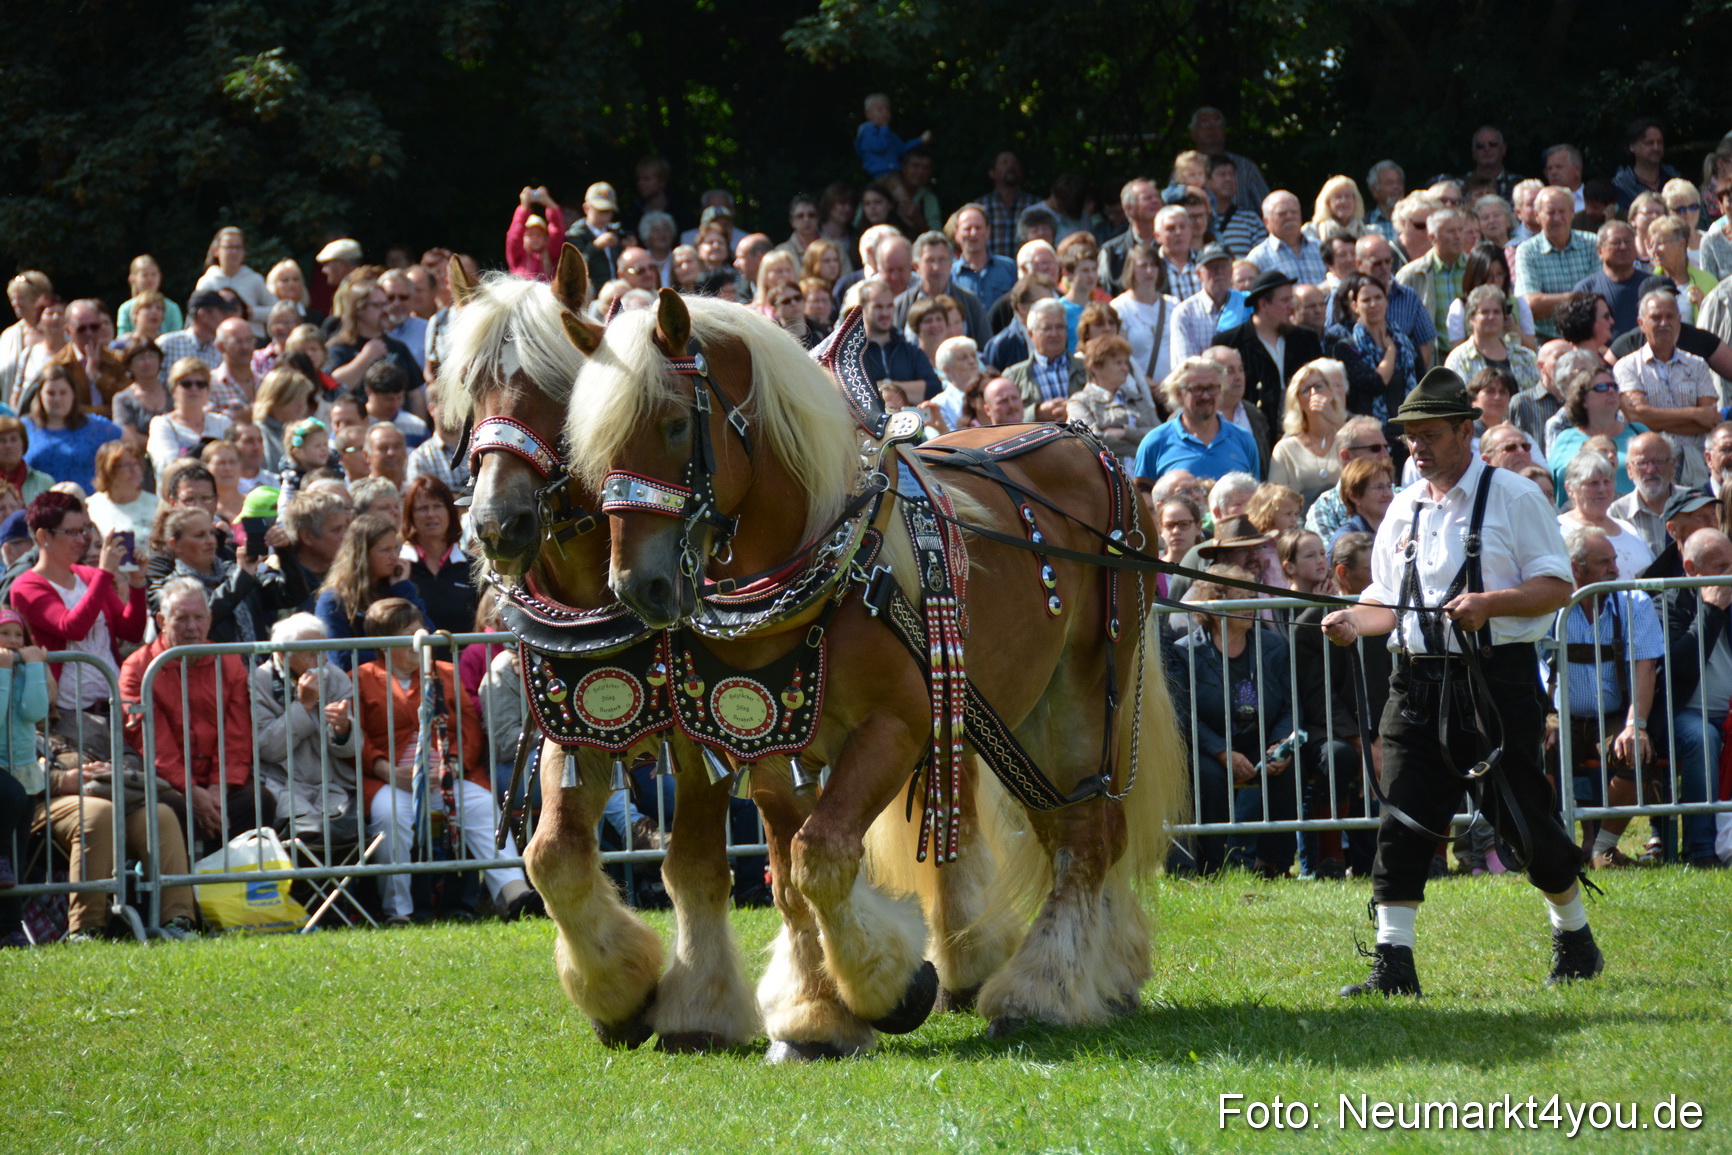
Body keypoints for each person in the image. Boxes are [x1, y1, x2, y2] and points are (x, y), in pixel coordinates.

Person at [1320, 368, 1601, 997]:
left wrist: (1490, 604)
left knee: (1522, 823)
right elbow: (1388, 604)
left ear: (1464, 432)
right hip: (1414, 685)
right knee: (1403, 821)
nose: (1415, 447)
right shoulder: (1403, 507)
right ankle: (1394, 965)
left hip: (1495, 686)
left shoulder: (1514, 497)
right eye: (1409, 437)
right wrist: (1350, 622)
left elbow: (1557, 587)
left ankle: (1574, 935)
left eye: (1428, 435)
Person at [355, 597, 535, 924]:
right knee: (390, 816)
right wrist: (387, 770)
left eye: (419, 630)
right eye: (408, 634)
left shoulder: (446, 672)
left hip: (450, 777)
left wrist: (452, 766)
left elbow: (470, 729)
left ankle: (516, 895)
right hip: (390, 780)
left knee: (482, 806)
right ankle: (400, 912)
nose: (419, 640)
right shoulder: (362, 677)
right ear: (384, 644)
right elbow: (359, 737)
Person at [119, 576, 277, 853]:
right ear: (161, 621)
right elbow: (153, 742)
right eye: (181, 619)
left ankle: (230, 887)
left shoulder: (228, 661)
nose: (192, 627)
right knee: (171, 808)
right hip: (166, 781)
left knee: (258, 801)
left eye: (199, 617)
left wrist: (219, 786)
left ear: (209, 617)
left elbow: (237, 733)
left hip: (219, 781)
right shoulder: (138, 667)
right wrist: (190, 790)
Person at [1165, 567, 1301, 878]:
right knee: (1207, 774)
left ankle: (1274, 865)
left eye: (1254, 596)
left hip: (1259, 742)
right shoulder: (1185, 652)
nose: (1251, 604)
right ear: (1215, 605)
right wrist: (1221, 751)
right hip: (1208, 747)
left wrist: (1281, 743)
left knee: (1290, 767)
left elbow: (1292, 704)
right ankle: (1212, 865)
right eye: (1242, 598)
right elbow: (1184, 715)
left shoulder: (1274, 647)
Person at [1548, 525, 1665, 869]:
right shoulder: (1551, 604)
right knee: (1535, 754)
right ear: (1575, 568)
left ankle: (1601, 848)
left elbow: (1645, 667)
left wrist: (1635, 725)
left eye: (1614, 560)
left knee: (1637, 754)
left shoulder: (1635, 602)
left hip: (1611, 716)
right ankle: (1553, 847)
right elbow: (1537, 666)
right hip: (1559, 717)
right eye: (1605, 563)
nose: (1615, 569)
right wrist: (1543, 718)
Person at [10, 492, 148, 721]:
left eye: (83, 530)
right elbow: (72, 627)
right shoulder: (25, 587)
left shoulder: (90, 575)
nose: (82, 539)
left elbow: (131, 632)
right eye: (71, 532)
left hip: (114, 705)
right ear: (43, 536)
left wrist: (137, 583)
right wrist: (104, 574)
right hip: (67, 715)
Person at [249, 612, 358, 848]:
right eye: (310, 652)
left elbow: (351, 748)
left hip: (332, 783)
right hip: (282, 782)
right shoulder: (259, 681)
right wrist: (304, 706)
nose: (321, 660)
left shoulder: (336, 677)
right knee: (308, 834)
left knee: (348, 828)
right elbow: (267, 749)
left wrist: (343, 729)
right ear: (282, 654)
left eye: (323, 650)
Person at [1615, 287, 1717, 489]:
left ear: (1679, 320)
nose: (1664, 323)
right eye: (1656, 317)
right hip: (1650, 466)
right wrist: (1694, 413)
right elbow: (1637, 417)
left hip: (1694, 466)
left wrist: (1652, 419)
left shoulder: (1697, 365)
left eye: (1670, 317)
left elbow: (1710, 420)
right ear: (1641, 323)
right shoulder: (1627, 366)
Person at [313, 514, 429, 667]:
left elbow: (428, 637)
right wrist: (396, 655)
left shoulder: (398, 589)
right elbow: (339, 657)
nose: (394, 557)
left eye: (395, 548)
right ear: (363, 555)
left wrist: (403, 589)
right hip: (358, 686)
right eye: (385, 550)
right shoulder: (333, 600)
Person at [1213, 268, 1324, 427]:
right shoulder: (1230, 342)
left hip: (1303, 426)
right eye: (1285, 300)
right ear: (1263, 304)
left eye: (1291, 299)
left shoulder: (1306, 339)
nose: (1292, 307)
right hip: (1253, 430)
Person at [1133, 357, 1259, 483]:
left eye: (1211, 388)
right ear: (1178, 394)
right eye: (1197, 389)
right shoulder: (1155, 442)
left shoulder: (1244, 440)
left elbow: (1254, 498)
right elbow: (1142, 499)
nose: (1205, 396)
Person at [1547, 353, 1645, 505]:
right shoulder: (1564, 438)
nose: (1611, 391)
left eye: (1614, 386)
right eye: (1601, 387)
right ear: (1582, 399)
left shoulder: (1639, 433)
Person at [1514, 186, 1600, 341]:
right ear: (1537, 215)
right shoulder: (1527, 251)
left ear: (1572, 212)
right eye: (1550, 212)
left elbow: (1600, 297)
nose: (1557, 218)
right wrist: (1579, 298)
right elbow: (1531, 305)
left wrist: (1551, 301)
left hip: (1590, 338)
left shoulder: (1593, 243)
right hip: (1545, 340)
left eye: (1562, 211)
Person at [22, 363, 121, 492]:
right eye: (51, 393)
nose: (57, 399)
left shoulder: (94, 426)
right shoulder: (25, 426)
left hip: (85, 506)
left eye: (63, 393)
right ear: (40, 395)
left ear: (73, 394)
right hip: (40, 506)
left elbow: (127, 442)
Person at [1557, 450, 1654, 580]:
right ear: (1570, 488)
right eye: (1593, 483)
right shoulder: (1559, 529)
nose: (1602, 489)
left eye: (1607, 481)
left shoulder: (1628, 529)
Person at [400, 476, 475, 635]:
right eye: (422, 508)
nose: (431, 514)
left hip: (464, 658)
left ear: (450, 512)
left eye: (438, 506)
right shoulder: (398, 567)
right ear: (410, 515)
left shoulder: (473, 568)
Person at [1268, 359, 1348, 507]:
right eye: (1306, 389)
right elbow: (1275, 501)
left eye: (1319, 386)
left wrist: (1334, 418)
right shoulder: (1285, 449)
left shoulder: (1345, 436)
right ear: (1296, 399)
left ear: (1330, 392)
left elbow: (1366, 462)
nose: (1314, 393)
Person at [1066, 335, 1155, 458]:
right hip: (1107, 475)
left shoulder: (1137, 399)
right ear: (1096, 367)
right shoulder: (1079, 401)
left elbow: (1160, 436)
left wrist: (1124, 433)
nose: (1125, 369)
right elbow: (1090, 442)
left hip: (1146, 475)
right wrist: (1142, 449)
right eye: (1118, 363)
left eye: (1126, 363)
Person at [146, 358, 232, 478]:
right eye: (187, 384)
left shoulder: (223, 423)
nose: (194, 389)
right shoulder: (162, 424)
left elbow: (235, 463)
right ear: (173, 389)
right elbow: (167, 466)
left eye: (201, 384)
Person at [1111, 243, 1181, 390]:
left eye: (1153, 265)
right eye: (1143, 266)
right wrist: (1148, 384)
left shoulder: (1173, 304)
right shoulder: (1119, 308)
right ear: (1131, 269)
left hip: (1174, 389)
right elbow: (1119, 356)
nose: (1149, 271)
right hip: (1137, 391)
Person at [1445, 285, 1540, 392]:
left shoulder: (1525, 357)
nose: (1491, 317)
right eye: (1485, 312)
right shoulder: (1459, 359)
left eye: (1496, 312)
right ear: (1471, 318)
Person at [1005, 299, 1085, 421]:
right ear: (1031, 334)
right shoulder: (1012, 376)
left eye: (1060, 327)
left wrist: (1074, 411)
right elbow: (1004, 419)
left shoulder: (1087, 369)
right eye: (1047, 328)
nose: (1054, 334)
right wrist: (1036, 414)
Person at [195, 227, 277, 342]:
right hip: (216, 341)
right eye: (228, 247)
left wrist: (251, 313)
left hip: (253, 341)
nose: (234, 252)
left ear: (244, 252)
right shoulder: (207, 281)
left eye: (238, 248)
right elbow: (196, 316)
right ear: (216, 250)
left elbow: (276, 311)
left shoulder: (255, 279)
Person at [1607, 433, 1683, 555]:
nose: (1651, 470)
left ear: (1673, 465)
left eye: (1658, 461)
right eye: (1641, 463)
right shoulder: (1617, 513)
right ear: (1629, 470)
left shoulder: (1693, 502)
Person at [85, 441, 159, 542]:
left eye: (136, 464)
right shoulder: (91, 507)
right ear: (108, 471)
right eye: (126, 466)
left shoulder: (157, 506)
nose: (134, 470)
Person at [111, 337, 170, 449]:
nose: (147, 362)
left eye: (152, 356)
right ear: (129, 366)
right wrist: (165, 444)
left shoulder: (173, 391)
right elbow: (128, 436)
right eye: (141, 358)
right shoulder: (123, 399)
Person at [115, 256, 183, 337]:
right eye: (144, 275)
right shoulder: (125, 309)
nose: (150, 279)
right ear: (132, 279)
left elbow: (177, 337)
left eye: (153, 274)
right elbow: (122, 337)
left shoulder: (172, 308)